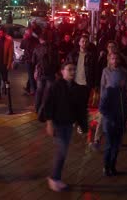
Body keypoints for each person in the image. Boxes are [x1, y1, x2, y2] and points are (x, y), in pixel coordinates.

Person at [42, 62, 88, 192]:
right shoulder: (56, 86)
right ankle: (54, 178)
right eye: (69, 69)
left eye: (74, 69)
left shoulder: (76, 88)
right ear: (62, 71)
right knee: (61, 151)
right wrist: (49, 122)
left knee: (63, 151)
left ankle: (56, 178)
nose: (72, 72)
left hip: (68, 124)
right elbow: (48, 104)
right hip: (58, 123)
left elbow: (79, 109)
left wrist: (83, 125)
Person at [100, 83, 127, 177]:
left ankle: (112, 166)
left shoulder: (123, 91)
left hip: (120, 124)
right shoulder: (109, 91)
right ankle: (106, 167)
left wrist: (126, 117)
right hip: (110, 125)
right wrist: (111, 119)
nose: (123, 80)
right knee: (109, 146)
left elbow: (125, 106)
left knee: (116, 147)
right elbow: (102, 108)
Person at [32, 33, 59, 114]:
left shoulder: (37, 48)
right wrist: (57, 71)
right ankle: (45, 109)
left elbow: (33, 61)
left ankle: (37, 108)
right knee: (48, 91)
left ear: (40, 39)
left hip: (41, 73)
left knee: (39, 90)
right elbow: (57, 60)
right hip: (51, 73)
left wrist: (36, 70)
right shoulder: (54, 47)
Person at [20, 28, 39, 95]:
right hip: (34, 59)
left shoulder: (26, 40)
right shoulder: (35, 40)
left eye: (27, 33)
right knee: (30, 74)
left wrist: (23, 39)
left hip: (29, 59)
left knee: (31, 75)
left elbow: (21, 47)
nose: (27, 34)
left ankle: (34, 90)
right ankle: (28, 88)